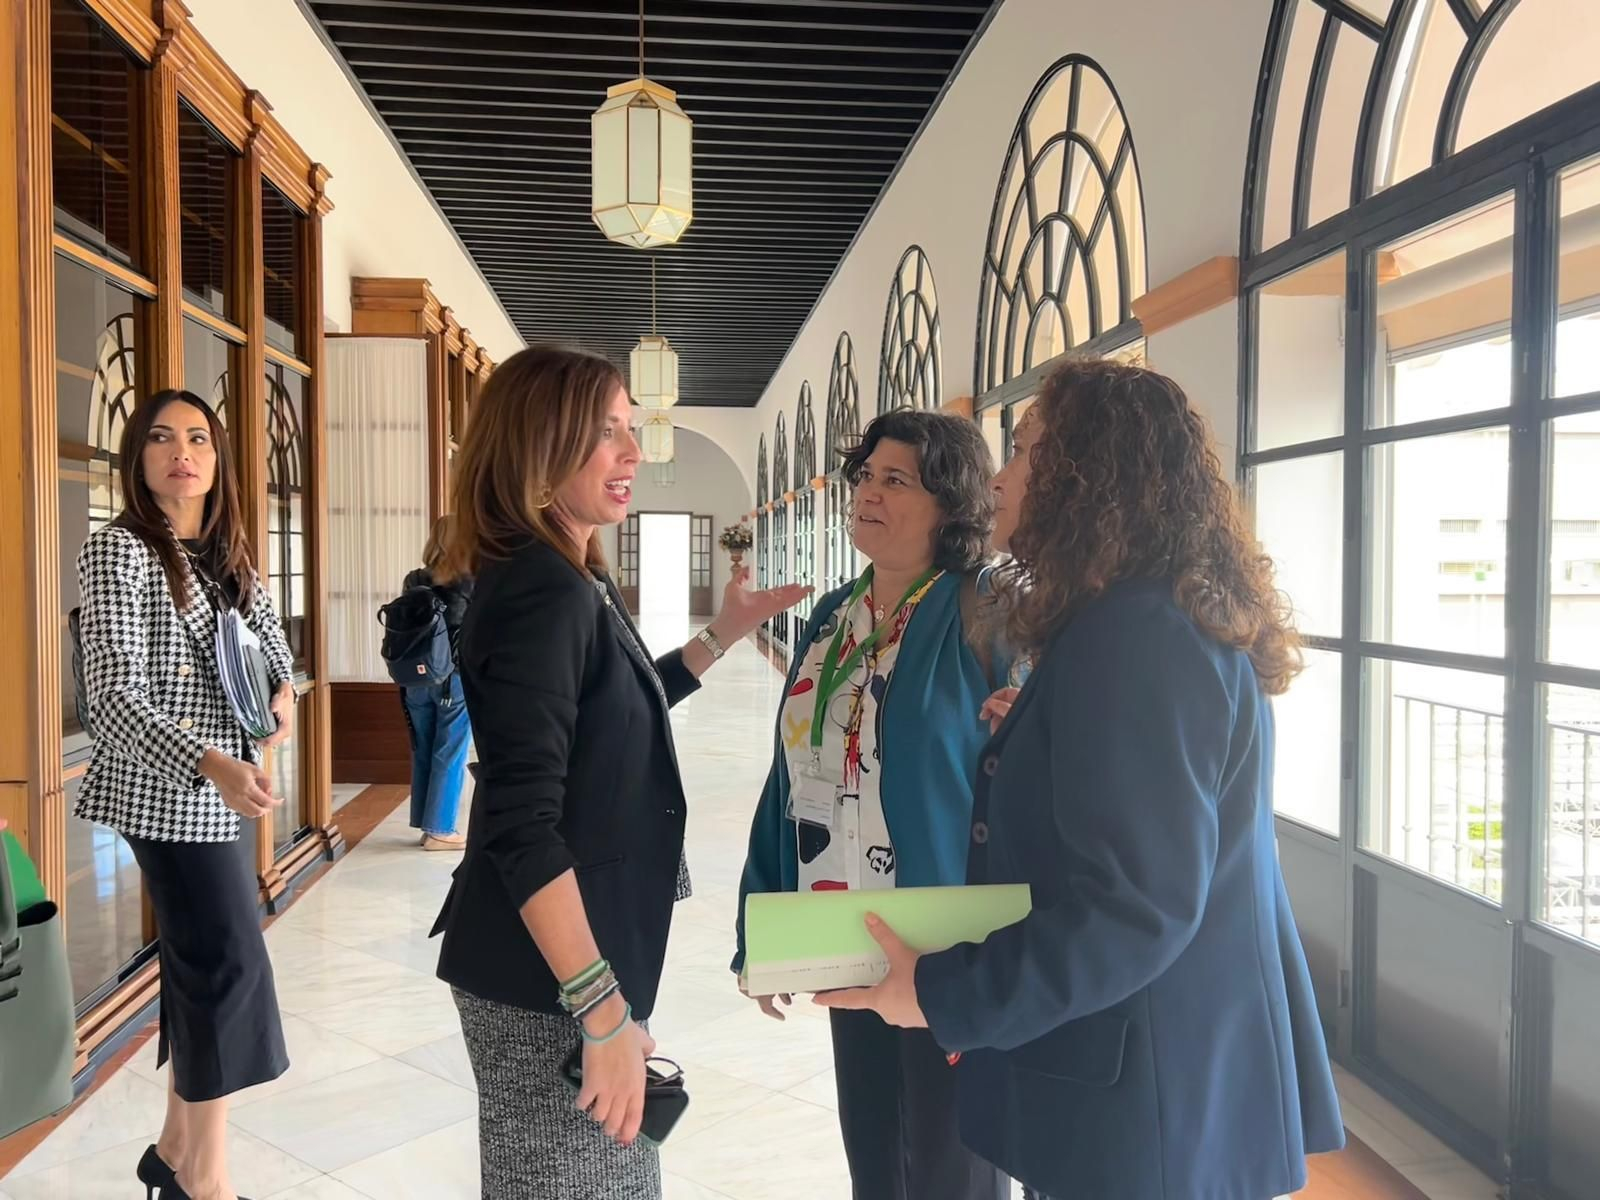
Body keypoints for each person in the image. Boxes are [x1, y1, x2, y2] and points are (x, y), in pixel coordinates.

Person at [817, 360, 1345, 1199]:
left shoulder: (1138, 634)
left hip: (1151, 1093)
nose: (1002, 475)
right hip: (1160, 1069)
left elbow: (1137, 907)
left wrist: (946, 993)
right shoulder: (1142, 615)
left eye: (1024, 451)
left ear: (1085, 474)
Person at [429, 346, 808, 1200]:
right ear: (538, 442)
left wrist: (723, 633)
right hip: (544, 980)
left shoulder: (568, 574)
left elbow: (613, 707)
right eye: (607, 432)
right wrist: (600, 1008)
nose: (634, 453)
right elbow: (525, 823)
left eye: (631, 430)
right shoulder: (542, 588)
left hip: (564, 963)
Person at [736, 409, 1010, 1200]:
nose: (869, 493)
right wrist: (761, 929)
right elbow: (787, 779)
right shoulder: (832, 616)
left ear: (951, 507)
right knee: (876, 1158)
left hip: (946, 940)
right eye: (865, 476)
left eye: (896, 480)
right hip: (842, 928)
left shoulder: (983, 610)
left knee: (955, 1163)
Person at [76, 389, 297, 1200]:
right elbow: (112, 694)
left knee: (202, 965)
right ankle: (206, 1179)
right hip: (168, 792)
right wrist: (211, 761)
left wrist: (283, 699)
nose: (183, 451)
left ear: (217, 458)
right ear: (138, 458)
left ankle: (173, 1153)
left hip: (229, 795)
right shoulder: (121, 552)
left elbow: (276, 654)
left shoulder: (229, 554)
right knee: (226, 965)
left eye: (199, 438)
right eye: (162, 438)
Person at [400, 516, 473, 850]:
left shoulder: (414, 579)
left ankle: (425, 822)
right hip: (453, 679)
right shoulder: (468, 581)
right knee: (450, 751)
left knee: (424, 748)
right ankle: (441, 830)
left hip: (415, 677)